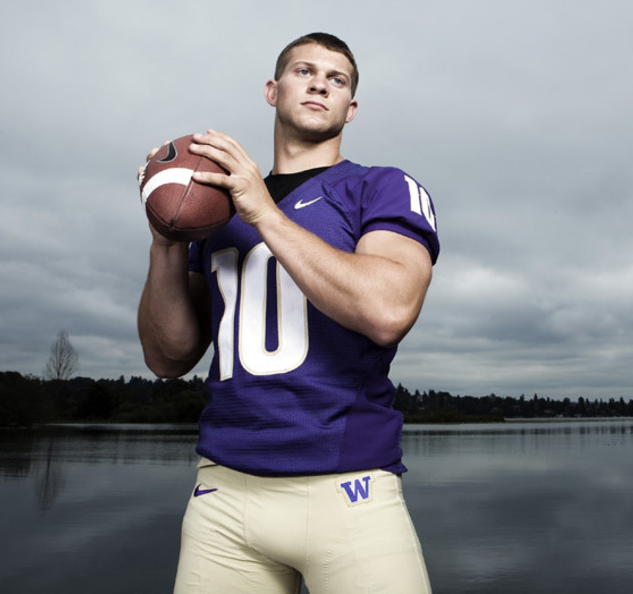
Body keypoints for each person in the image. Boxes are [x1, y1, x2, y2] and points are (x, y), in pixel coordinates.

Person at [137, 33, 439, 593]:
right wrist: (166, 243)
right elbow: (168, 357)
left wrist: (266, 214)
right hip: (224, 493)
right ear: (274, 91)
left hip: (348, 489)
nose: (321, 81)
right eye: (305, 71)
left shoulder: (381, 187)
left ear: (351, 108)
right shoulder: (217, 211)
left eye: (338, 78)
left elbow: (388, 309)